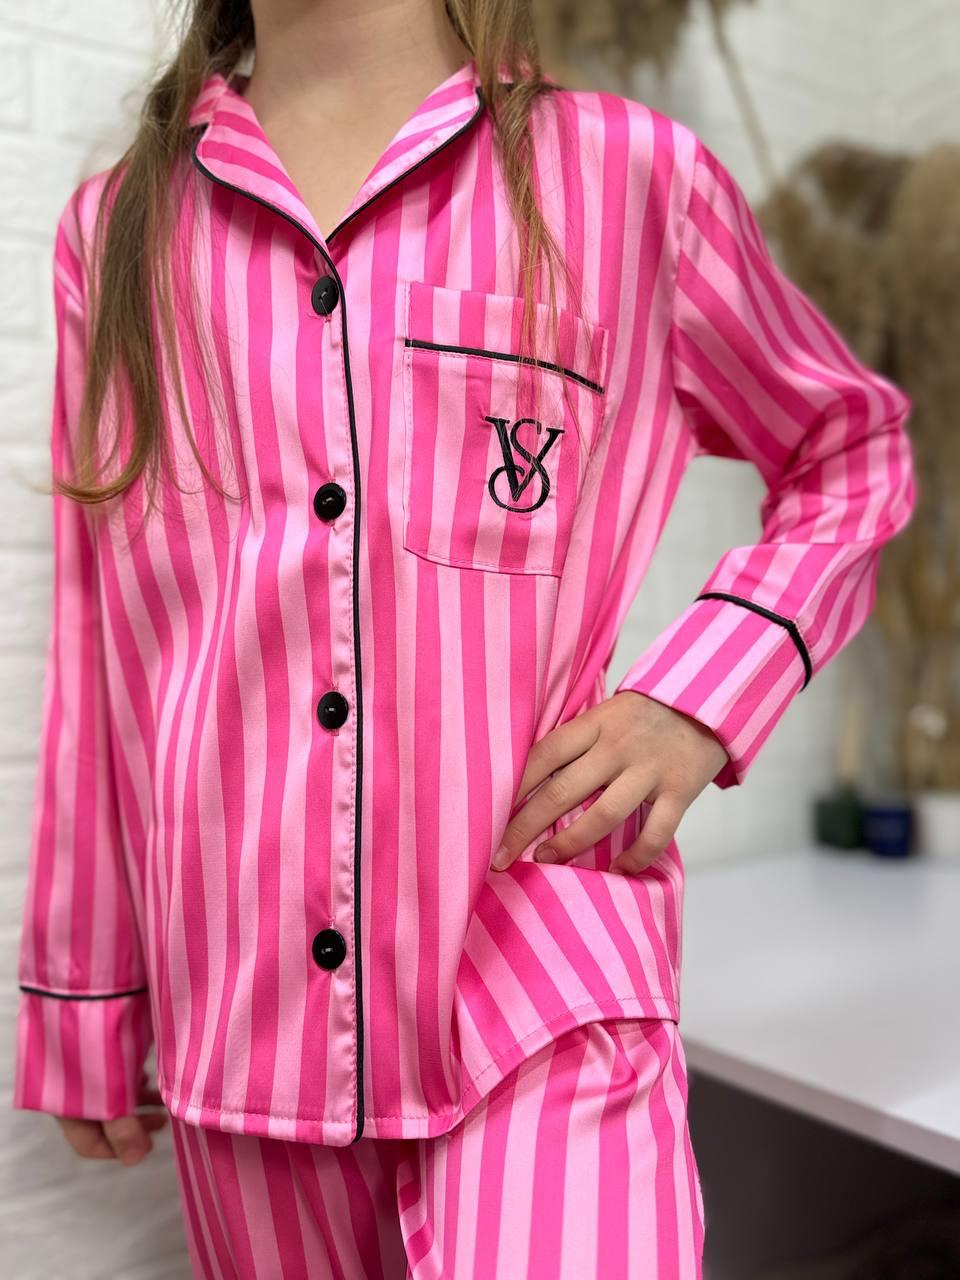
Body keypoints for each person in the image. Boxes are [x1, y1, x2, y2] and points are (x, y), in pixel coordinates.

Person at [11, 0, 915, 1275]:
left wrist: (702, 694)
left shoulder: (630, 179)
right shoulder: (117, 234)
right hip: (244, 1014)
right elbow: (109, 639)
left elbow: (849, 448)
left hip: (543, 969)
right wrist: (85, 991)